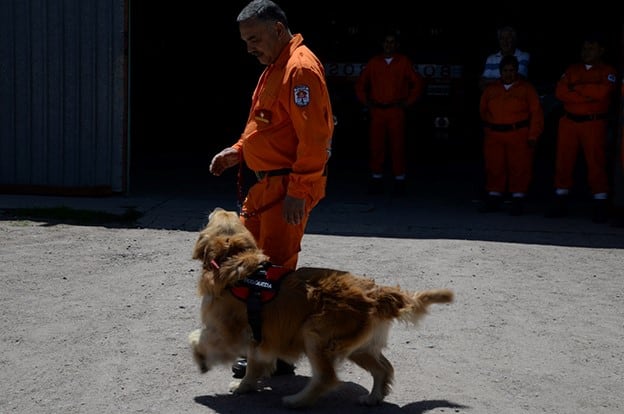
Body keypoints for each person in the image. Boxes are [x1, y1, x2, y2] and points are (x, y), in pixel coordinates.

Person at [208, 0, 334, 378]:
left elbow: (315, 138)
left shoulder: (300, 69)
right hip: (264, 189)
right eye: (245, 41)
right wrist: (239, 150)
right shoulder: (273, 68)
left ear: (278, 30)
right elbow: (262, 124)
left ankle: (274, 353)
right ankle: (265, 345)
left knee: (275, 273)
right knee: (252, 269)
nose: (249, 48)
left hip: (285, 188)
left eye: (254, 39)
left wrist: (299, 189)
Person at [545, 32, 618, 223]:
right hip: (569, 122)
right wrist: (587, 92)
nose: (586, 52)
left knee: (596, 162)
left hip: (593, 123)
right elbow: (560, 92)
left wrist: (575, 89)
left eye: (591, 48)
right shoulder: (572, 69)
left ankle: (600, 201)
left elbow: (602, 93)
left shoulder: (608, 70)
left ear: (601, 50)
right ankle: (560, 199)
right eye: (584, 48)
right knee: (563, 161)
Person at [354, 31, 425, 195]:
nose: (389, 45)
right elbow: (360, 85)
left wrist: (407, 102)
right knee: (376, 145)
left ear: (397, 45)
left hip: (396, 111)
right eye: (386, 41)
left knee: (397, 145)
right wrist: (367, 102)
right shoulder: (374, 63)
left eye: (392, 42)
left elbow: (417, 83)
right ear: (382, 44)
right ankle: (376, 177)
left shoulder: (404, 62)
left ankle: (399, 179)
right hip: (377, 111)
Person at [478, 55, 544, 216]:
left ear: (517, 71)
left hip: (518, 133)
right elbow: (483, 111)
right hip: (495, 135)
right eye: (505, 70)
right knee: (494, 166)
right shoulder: (491, 89)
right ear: (500, 72)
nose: (509, 74)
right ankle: (494, 195)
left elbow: (536, 113)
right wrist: (489, 129)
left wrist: (533, 136)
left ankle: (518, 197)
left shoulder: (527, 89)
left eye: (512, 70)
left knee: (519, 167)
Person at [479, 26, 530, 92]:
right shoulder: (491, 58)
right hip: (493, 98)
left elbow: (518, 79)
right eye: (502, 38)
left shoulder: (524, 56)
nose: (505, 41)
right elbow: (482, 83)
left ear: (514, 39)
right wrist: (505, 80)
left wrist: (491, 81)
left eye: (508, 38)